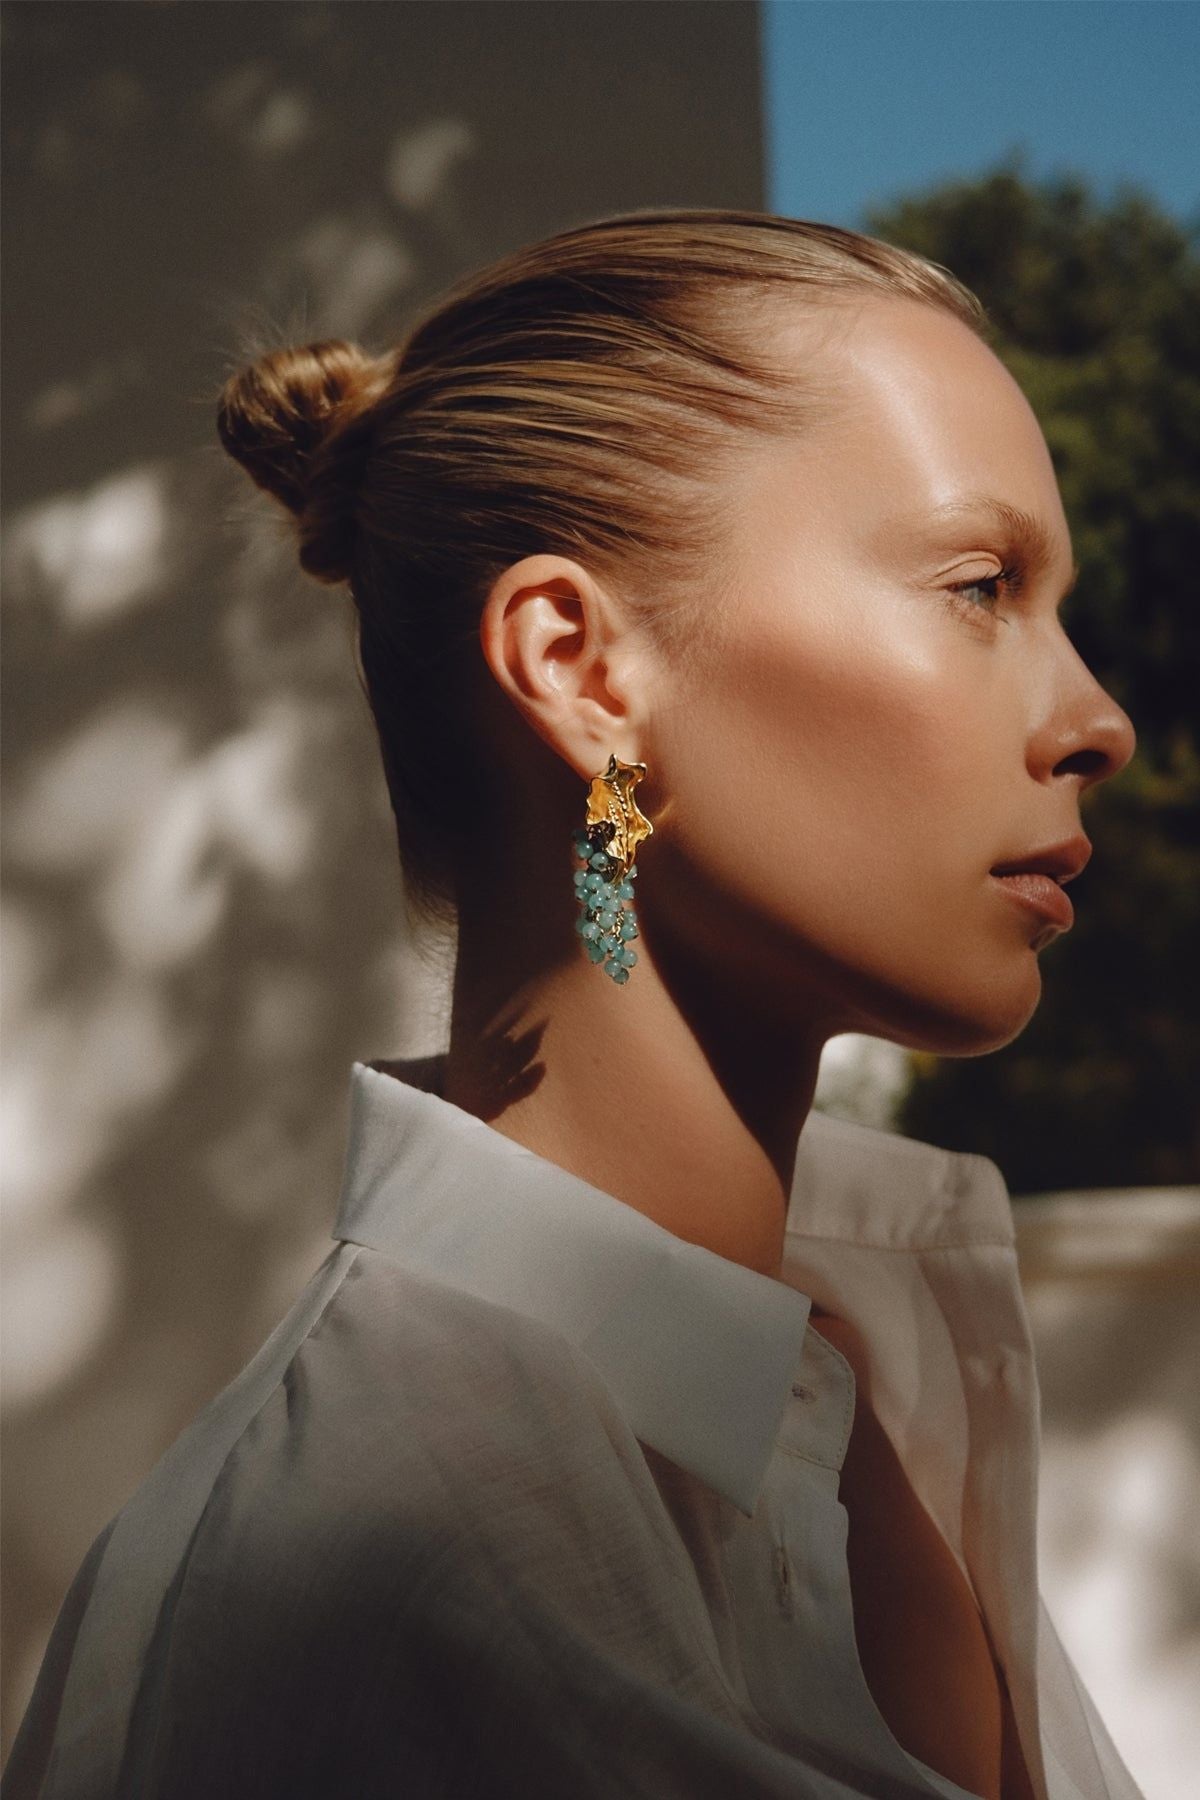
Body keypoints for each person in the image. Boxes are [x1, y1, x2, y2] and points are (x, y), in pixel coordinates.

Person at [3, 209, 1143, 1800]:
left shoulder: (843, 1390)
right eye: (980, 585)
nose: (1099, 720)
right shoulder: (394, 1582)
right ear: (584, 672)